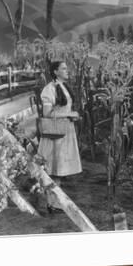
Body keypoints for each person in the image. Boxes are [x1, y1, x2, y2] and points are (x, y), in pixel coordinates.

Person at [37, 61, 82, 213]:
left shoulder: (63, 87)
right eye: (63, 68)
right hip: (54, 133)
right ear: (55, 72)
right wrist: (69, 114)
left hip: (65, 130)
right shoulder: (49, 89)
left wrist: (71, 116)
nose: (67, 70)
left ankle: (53, 202)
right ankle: (50, 202)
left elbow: (63, 108)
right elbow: (47, 114)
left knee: (59, 169)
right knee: (52, 168)